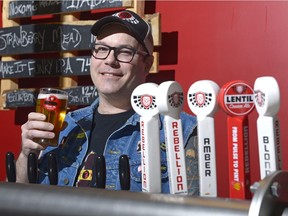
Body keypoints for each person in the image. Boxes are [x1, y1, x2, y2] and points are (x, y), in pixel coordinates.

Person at [16, 10, 199, 195]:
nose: (110, 60)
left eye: (125, 52)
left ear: (147, 64)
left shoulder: (180, 130)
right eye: (102, 49)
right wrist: (26, 154)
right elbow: (18, 200)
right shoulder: (66, 125)